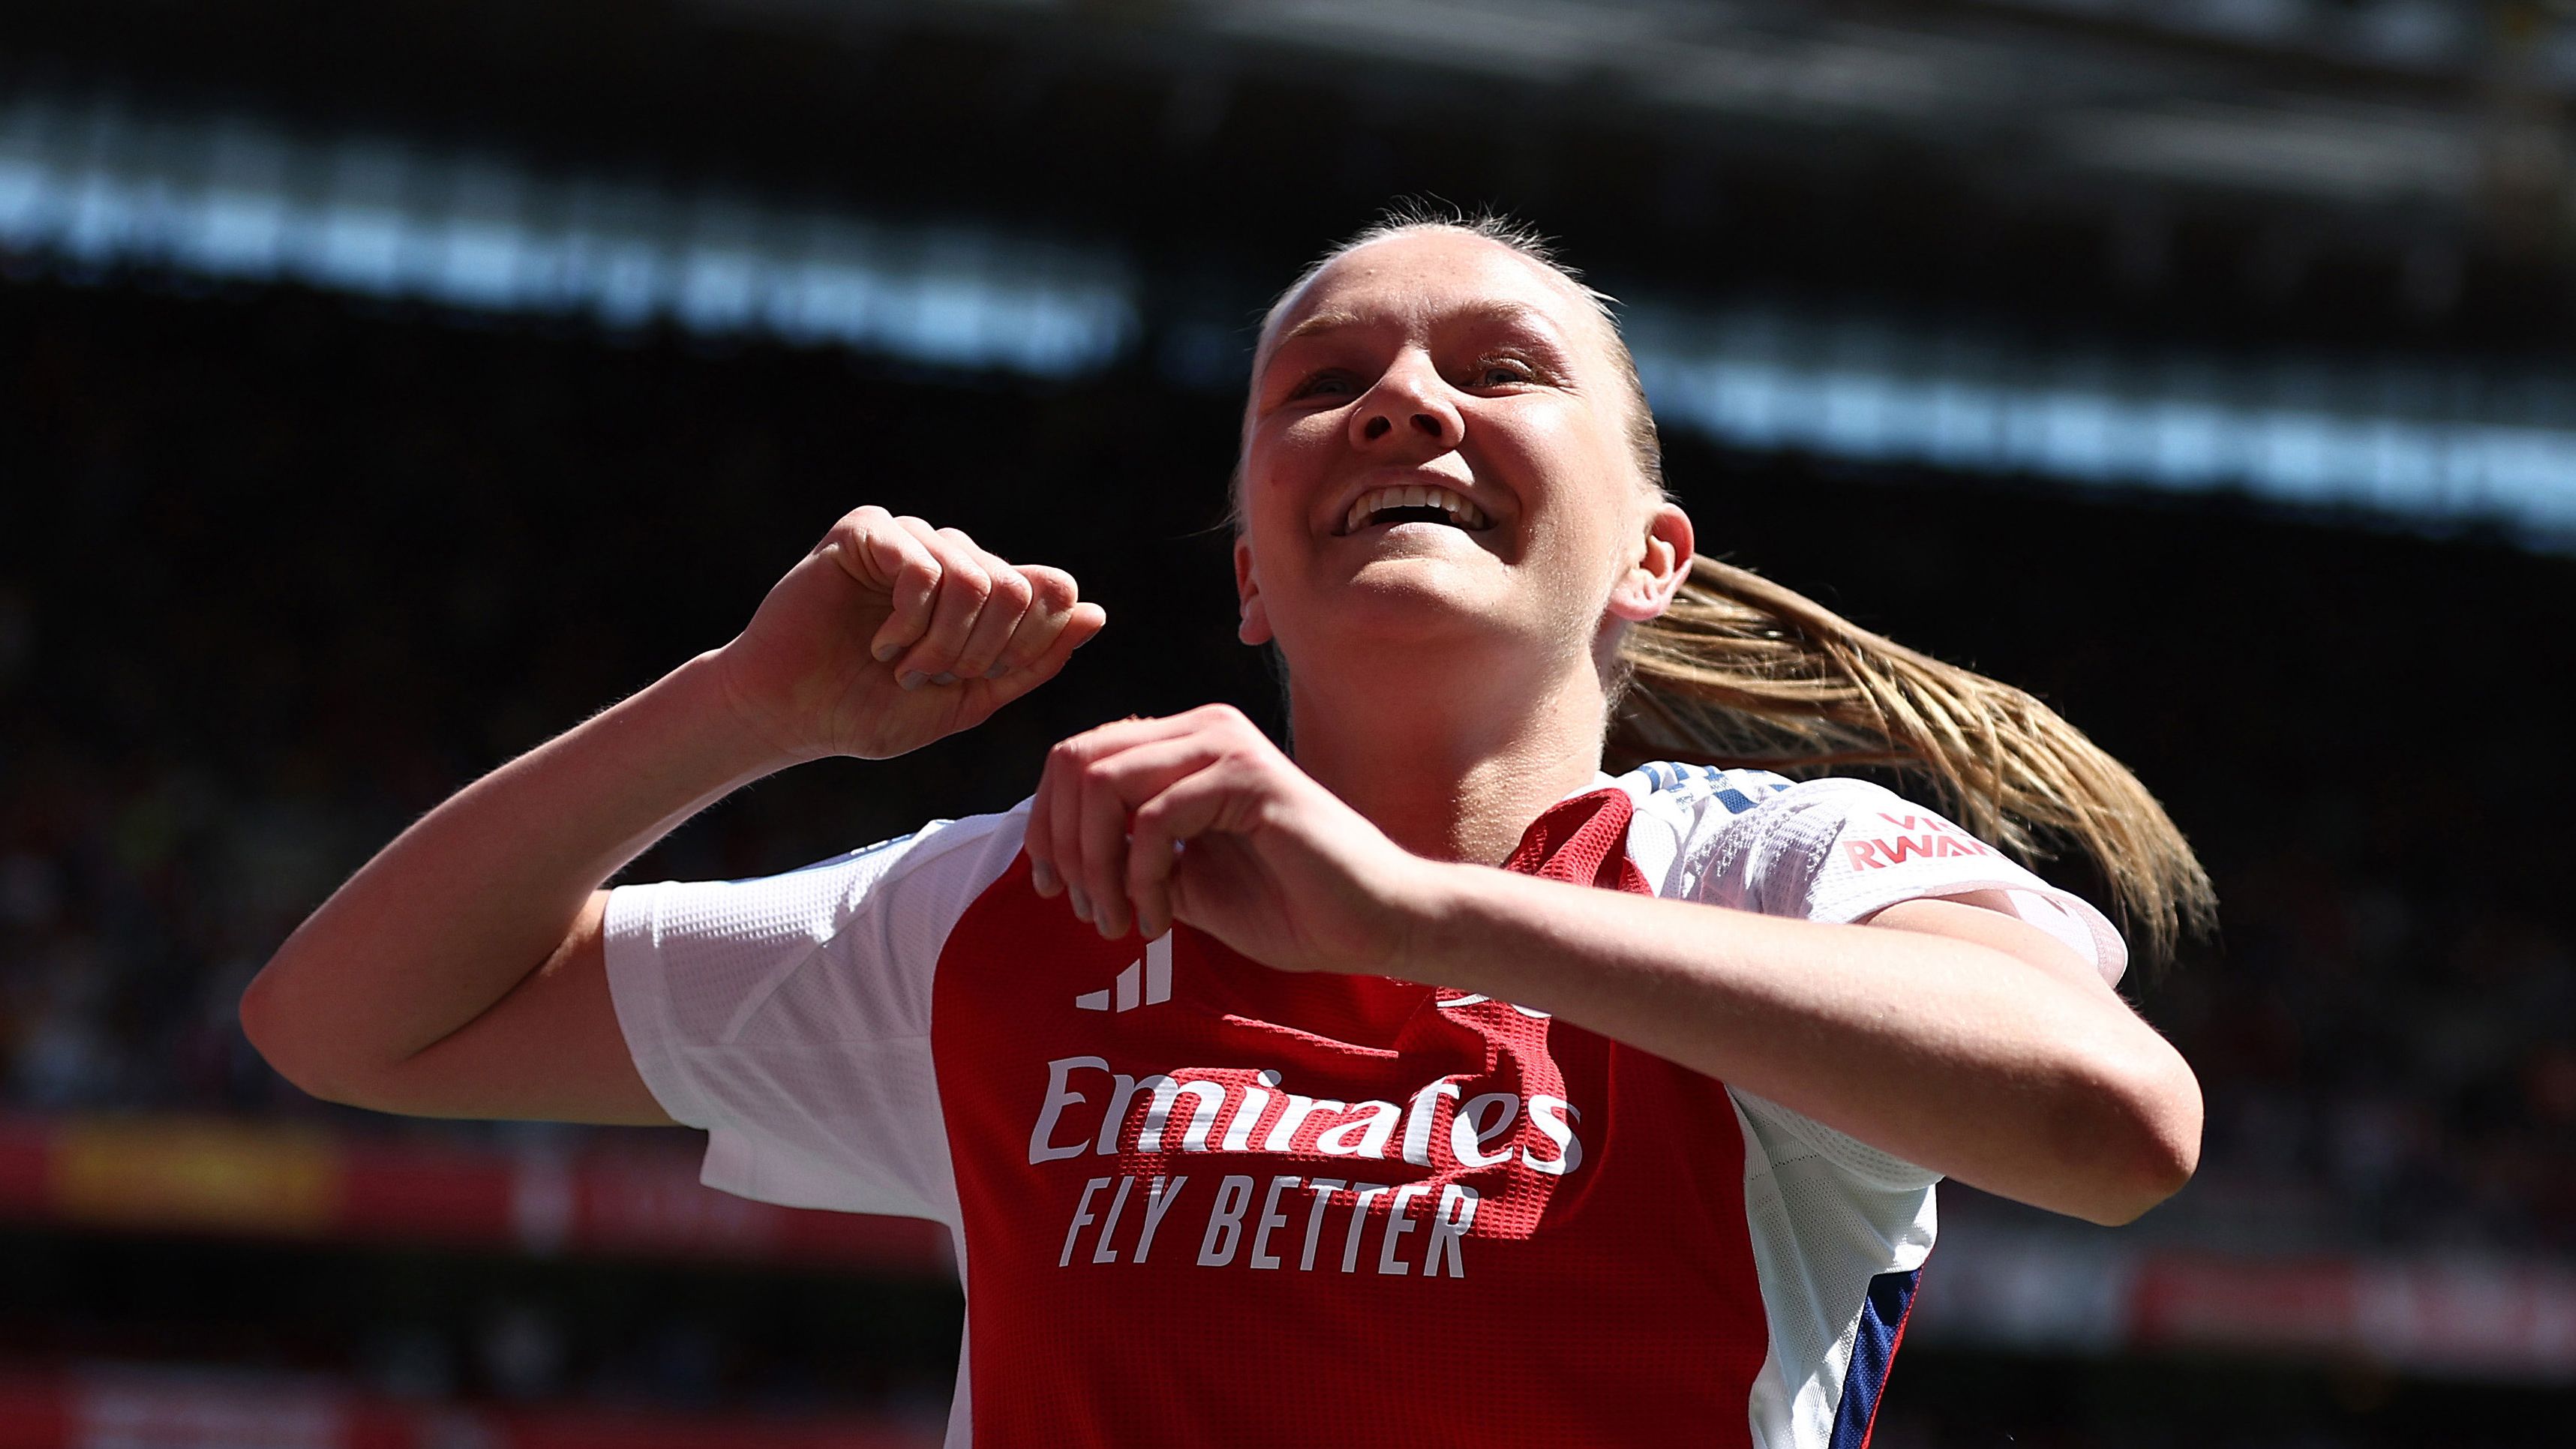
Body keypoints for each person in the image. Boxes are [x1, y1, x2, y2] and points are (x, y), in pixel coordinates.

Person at [242, 208, 2213, 1448]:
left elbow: (2111, 1126)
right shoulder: (1022, 905)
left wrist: (1430, 919)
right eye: (1323, 383)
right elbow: (350, 1024)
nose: (1399, 403)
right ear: (1251, 580)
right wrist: (746, 711)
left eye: (1496, 369)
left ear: (1651, 559)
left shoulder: (1772, 873)